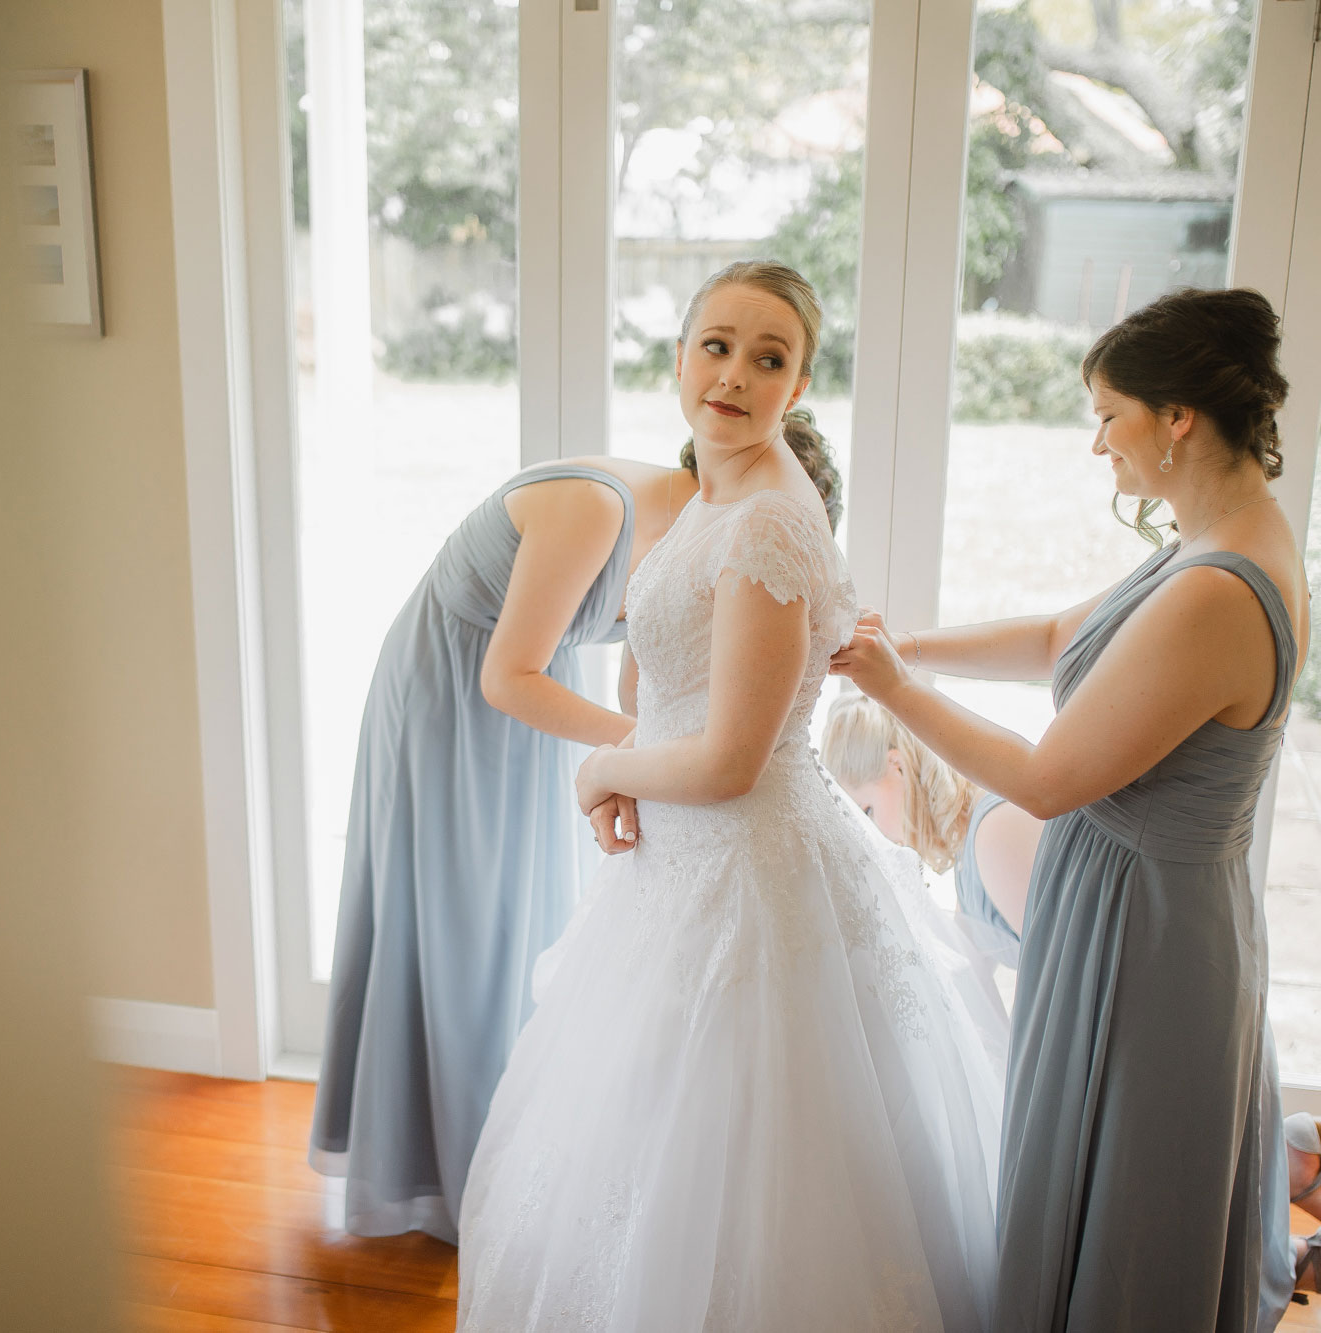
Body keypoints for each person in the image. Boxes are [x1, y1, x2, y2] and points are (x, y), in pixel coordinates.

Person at [831, 286, 1321, 1329]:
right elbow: (1058, 636)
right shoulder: (1208, 541)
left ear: (1175, 416)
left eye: (1107, 415)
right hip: (1137, 901)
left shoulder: (1218, 588)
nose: (1097, 444)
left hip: (1147, 934)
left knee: (1134, 1200)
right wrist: (905, 643)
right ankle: (1317, 1243)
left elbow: (1047, 781)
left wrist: (893, 693)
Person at [457, 261, 1006, 1331]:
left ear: (797, 386)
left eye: (769, 358)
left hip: (742, 870)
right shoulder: (710, 494)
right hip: (683, 860)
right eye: (715, 346)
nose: (734, 375)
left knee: (746, 1168)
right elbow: (667, 686)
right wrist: (632, 765)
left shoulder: (764, 523)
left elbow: (728, 762)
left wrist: (604, 768)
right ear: (677, 357)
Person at [309, 404, 840, 1245]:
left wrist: (648, 747)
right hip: (455, 693)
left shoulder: (704, 542)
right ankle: (442, 1164)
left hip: (534, 693)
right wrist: (643, 752)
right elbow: (505, 675)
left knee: (524, 915)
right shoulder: (600, 509)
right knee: (462, 929)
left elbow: (660, 683)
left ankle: (487, 1142)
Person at [823, 688, 1037, 967]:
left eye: (868, 811)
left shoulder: (995, 831)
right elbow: (972, 974)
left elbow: (1062, 969)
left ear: (897, 766)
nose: (872, 834)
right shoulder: (968, 853)